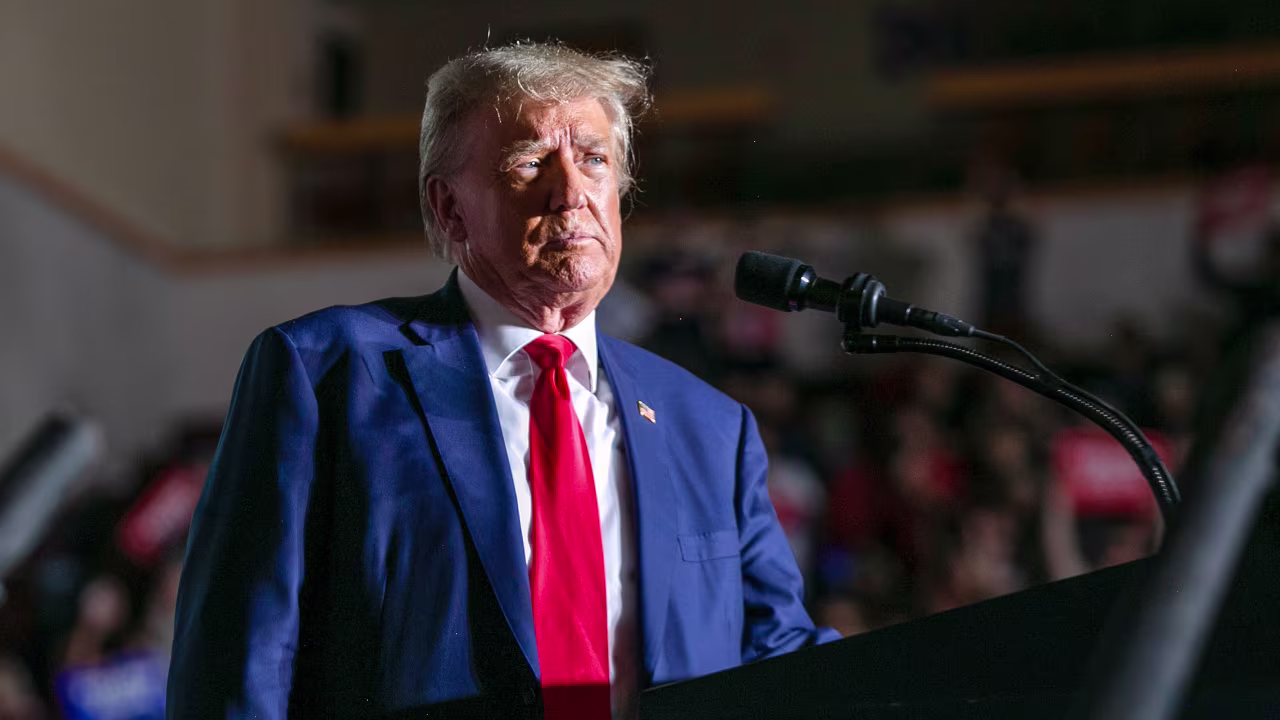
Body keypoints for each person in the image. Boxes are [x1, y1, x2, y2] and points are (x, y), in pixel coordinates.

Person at [167, 42, 835, 720]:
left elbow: (782, 661)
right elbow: (237, 671)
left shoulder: (710, 427)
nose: (572, 190)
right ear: (450, 209)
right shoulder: (326, 373)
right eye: (530, 161)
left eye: (594, 160)